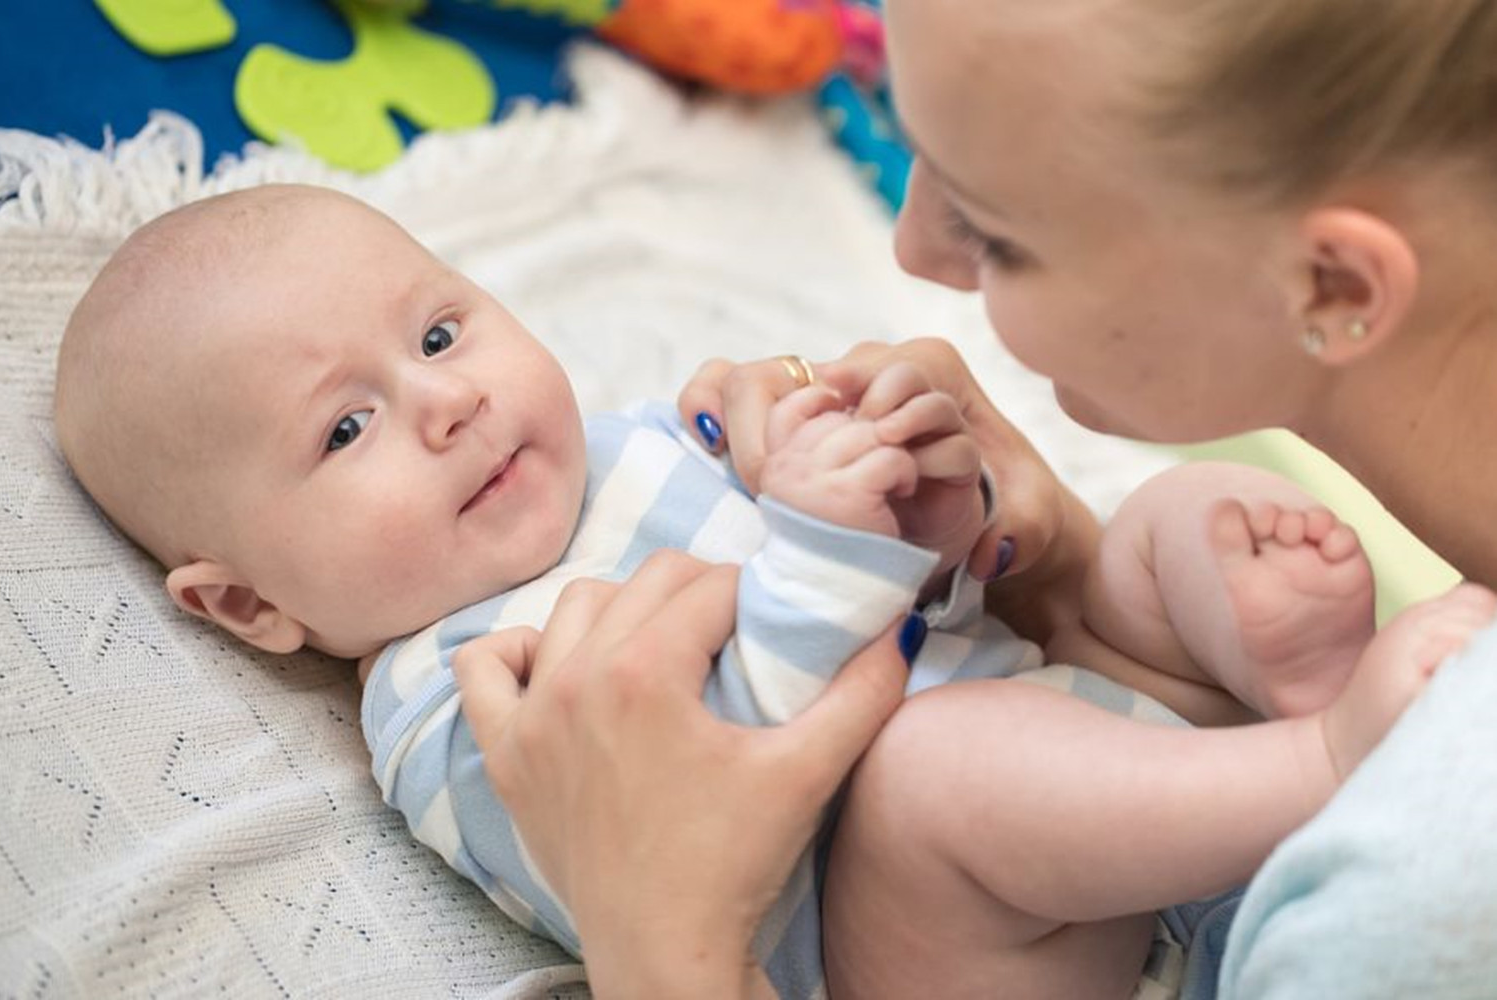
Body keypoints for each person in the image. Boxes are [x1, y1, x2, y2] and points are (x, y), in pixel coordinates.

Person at [53, 183, 1481, 996]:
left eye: (438, 334)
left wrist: (928, 511)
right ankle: (1333, 756)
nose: (445, 404)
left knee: (1174, 522)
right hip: (960, 942)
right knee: (928, 777)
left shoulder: (646, 442)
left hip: (1097, 740)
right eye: (345, 429)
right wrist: (828, 546)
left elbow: (941, 612)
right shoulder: (447, 696)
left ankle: (1286, 675)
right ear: (248, 606)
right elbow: (720, 792)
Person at [450, 0, 1497, 997]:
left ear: (1336, 286)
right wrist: (1058, 597)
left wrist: (663, 942)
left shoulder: (1432, 890)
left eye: (993, 230)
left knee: (929, 777)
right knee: (1185, 523)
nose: (915, 252)